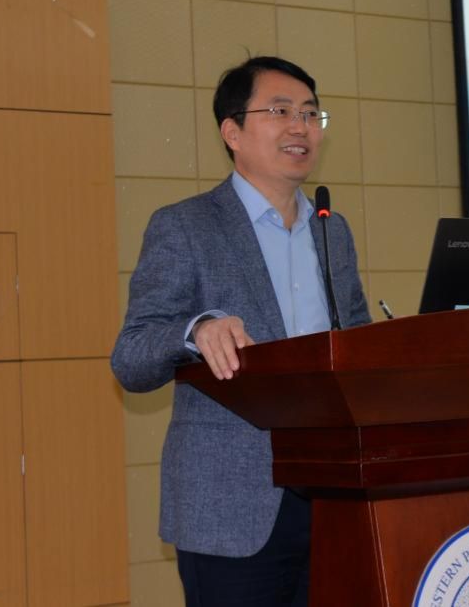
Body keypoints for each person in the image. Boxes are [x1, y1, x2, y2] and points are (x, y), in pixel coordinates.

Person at [112, 55, 371, 606]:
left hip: (334, 500)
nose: (301, 126)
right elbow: (130, 358)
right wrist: (195, 331)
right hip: (232, 509)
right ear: (232, 132)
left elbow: (357, 346)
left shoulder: (332, 230)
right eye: (280, 111)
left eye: (310, 113)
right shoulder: (185, 226)